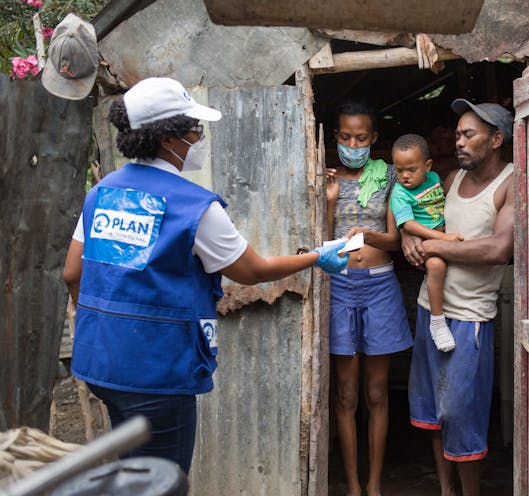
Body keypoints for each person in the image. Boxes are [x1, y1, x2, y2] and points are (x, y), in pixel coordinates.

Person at [62, 77, 348, 474]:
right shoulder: (194, 206)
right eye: (194, 130)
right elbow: (252, 271)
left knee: (130, 470)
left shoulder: (103, 192)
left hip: (101, 364)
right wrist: (316, 257)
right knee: (160, 485)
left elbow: (73, 272)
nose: (199, 138)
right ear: (167, 138)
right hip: (156, 373)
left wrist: (106, 328)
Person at [403, 99, 515, 496]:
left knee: (461, 413)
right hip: (429, 310)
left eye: (469, 134)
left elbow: (498, 249)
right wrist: (413, 239)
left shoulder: (509, 183)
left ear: (497, 139)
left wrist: (432, 245)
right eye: (459, 133)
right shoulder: (449, 178)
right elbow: (418, 221)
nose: (460, 141)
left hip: (469, 317)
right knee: (435, 411)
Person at [325, 101, 413, 496]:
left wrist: (368, 233)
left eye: (362, 138)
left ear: (374, 139)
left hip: (379, 287)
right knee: (345, 395)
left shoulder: (390, 178)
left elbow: (397, 241)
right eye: (345, 137)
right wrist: (328, 203)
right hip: (339, 287)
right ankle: (353, 488)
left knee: (376, 395)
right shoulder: (324, 179)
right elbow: (321, 244)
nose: (353, 145)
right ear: (335, 137)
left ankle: (375, 486)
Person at [389, 133, 463, 351]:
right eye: (399, 170)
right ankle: (438, 322)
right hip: (425, 241)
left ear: (427, 166)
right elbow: (408, 225)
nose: (405, 176)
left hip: (443, 234)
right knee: (436, 266)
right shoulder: (400, 193)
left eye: (411, 169)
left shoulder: (434, 179)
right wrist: (443, 237)